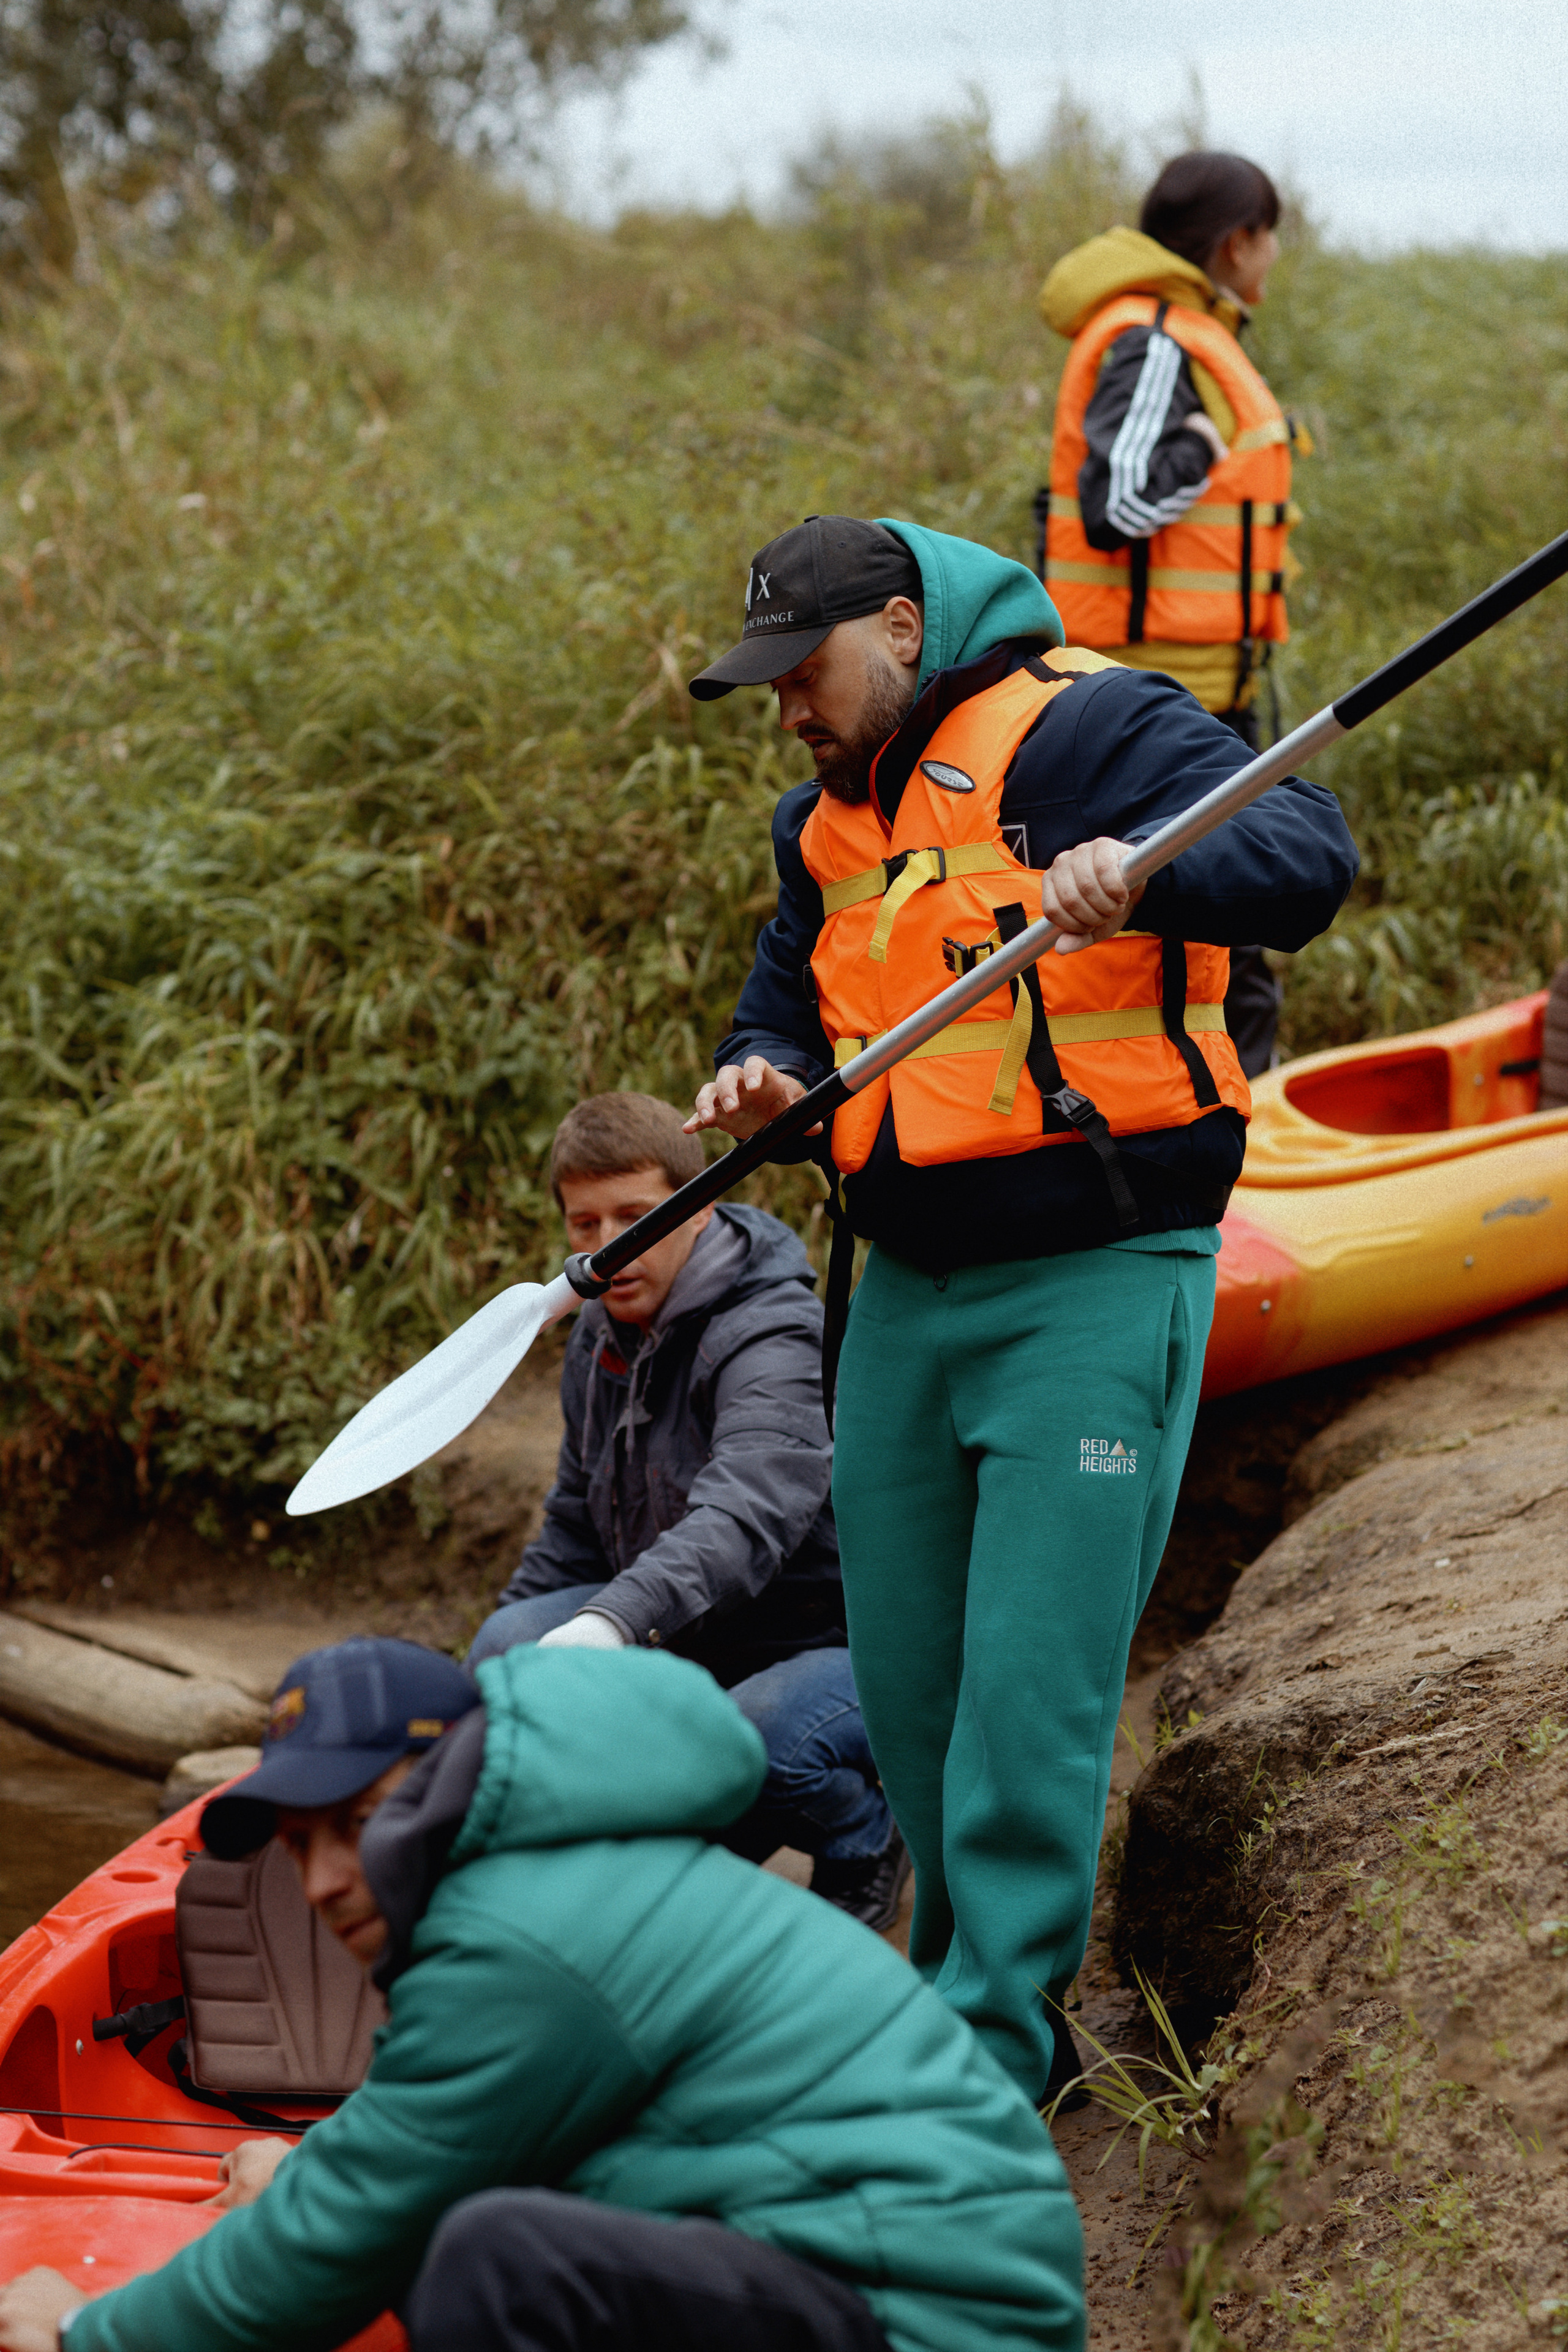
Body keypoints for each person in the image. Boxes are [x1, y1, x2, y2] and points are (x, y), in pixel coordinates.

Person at [685, 511, 1357, 2105]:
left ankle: (997, 2041)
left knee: (1033, 1679)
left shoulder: (1091, 726)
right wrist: (757, 1061)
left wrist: (1152, 869)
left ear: (905, 630)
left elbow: (1309, 854)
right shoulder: (824, 825)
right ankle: (956, 1998)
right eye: (769, 685)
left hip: (1096, 1278)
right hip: (910, 1290)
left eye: (808, 671)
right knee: (912, 1682)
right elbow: (792, 982)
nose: (790, 708)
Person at [0, 1635, 1085, 2352]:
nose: (322, 1880)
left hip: (941, 2320)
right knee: (450, 2234)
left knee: (486, 2260)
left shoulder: (517, 1933)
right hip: (863, 2271)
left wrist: (87, 2330)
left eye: (359, 1822)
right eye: (297, 1844)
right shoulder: (543, 1865)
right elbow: (433, 2133)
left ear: (442, 1790)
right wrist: (313, 2164)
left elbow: (342, 2240)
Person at [467, 1091, 906, 1927]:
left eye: (635, 1217)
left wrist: (609, 1623)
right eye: (584, 1225)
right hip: (694, 1638)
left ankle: (862, 1830)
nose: (609, 1249)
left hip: (841, 1645)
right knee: (503, 1653)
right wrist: (495, 1699)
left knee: (757, 1746)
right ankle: (667, 1824)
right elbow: (573, 1521)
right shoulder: (597, 1333)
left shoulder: (773, 1335)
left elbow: (743, 1520)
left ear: (698, 1205)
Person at [1037, 149, 1308, 1075]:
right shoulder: (1152, 339)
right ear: (1237, 242)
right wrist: (1195, 443)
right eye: (1271, 238)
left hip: (1193, 691)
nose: (1273, 258)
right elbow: (1117, 506)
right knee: (1220, 949)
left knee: (1232, 938)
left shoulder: (1183, 330)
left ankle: (1236, 1150)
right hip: (1151, 700)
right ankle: (1240, 1173)